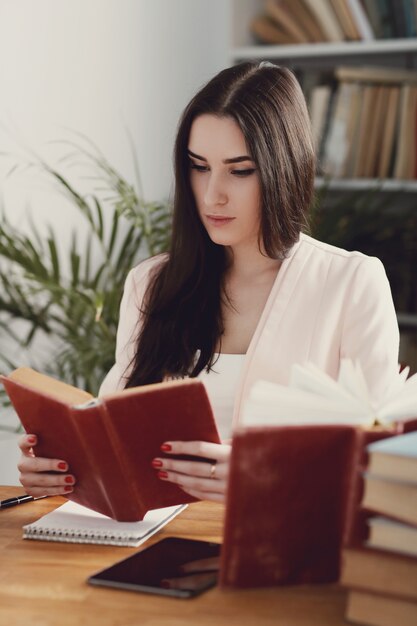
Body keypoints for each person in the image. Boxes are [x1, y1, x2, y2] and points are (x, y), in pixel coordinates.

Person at [18, 61, 400, 504]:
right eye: (199, 166)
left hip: (281, 553)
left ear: (285, 170)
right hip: (156, 546)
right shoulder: (151, 283)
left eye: (239, 171)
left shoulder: (351, 283)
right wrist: (65, 467)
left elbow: (383, 466)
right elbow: (111, 437)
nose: (212, 194)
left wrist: (259, 476)